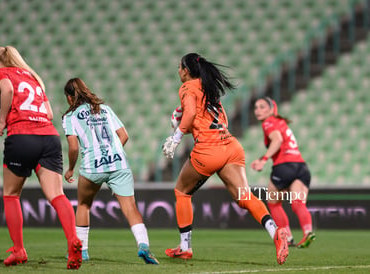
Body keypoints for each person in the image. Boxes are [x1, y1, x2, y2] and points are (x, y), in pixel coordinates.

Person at [162, 53, 288, 265]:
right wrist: (182, 119)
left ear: (186, 70)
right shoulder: (208, 87)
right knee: (244, 196)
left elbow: (191, 113)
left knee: (181, 192)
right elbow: (214, 118)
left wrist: (175, 137)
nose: (178, 71)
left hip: (208, 150)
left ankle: (185, 247)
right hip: (230, 145)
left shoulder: (187, 87)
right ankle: (275, 232)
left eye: (179, 67)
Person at [0, 46, 82, 269]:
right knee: (57, 195)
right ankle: (72, 241)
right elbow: (49, 113)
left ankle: (19, 250)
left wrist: (2, 120)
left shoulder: (0, 74)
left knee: (11, 194)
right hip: (49, 136)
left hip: (22, 136)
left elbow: (8, 89)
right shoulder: (33, 77)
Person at [61, 78, 159, 265]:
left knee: (83, 205)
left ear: (69, 98)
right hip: (118, 164)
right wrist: (113, 153)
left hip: (92, 166)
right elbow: (124, 135)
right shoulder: (104, 109)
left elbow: (73, 148)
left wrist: (71, 169)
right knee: (131, 208)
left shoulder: (70, 117)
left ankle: (82, 251)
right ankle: (143, 245)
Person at [250, 97, 316, 248]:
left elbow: (277, 140)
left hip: (284, 166)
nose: (257, 110)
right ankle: (308, 231)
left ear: (272, 109)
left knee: (273, 203)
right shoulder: (281, 122)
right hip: (301, 167)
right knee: (298, 203)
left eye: (262, 107)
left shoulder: (268, 122)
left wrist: (263, 159)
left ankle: (287, 237)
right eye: (256, 107)